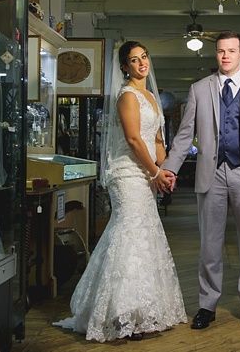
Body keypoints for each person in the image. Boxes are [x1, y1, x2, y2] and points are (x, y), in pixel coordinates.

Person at [54, 41, 187, 341]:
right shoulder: (127, 96)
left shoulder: (151, 97)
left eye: (144, 57)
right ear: (124, 67)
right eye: (134, 60)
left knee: (143, 234)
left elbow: (155, 142)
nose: (141, 64)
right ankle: (121, 313)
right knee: (129, 231)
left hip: (147, 173)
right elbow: (133, 140)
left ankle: (141, 311)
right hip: (127, 174)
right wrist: (154, 172)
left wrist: (166, 171)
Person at [162, 30, 240, 330]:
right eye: (220, 51)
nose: (225, 55)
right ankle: (207, 305)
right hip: (210, 174)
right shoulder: (200, 89)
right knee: (209, 245)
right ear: (216, 55)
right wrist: (170, 168)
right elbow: (185, 134)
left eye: (231, 50)